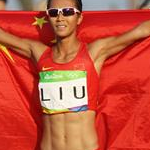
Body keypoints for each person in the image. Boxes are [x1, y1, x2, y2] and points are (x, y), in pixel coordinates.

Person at [0, 0, 150, 149]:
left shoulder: (94, 52)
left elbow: (141, 30)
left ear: (79, 18)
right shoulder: (38, 53)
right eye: (53, 13)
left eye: (68, 12)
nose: (60, 18)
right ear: (48, 18)